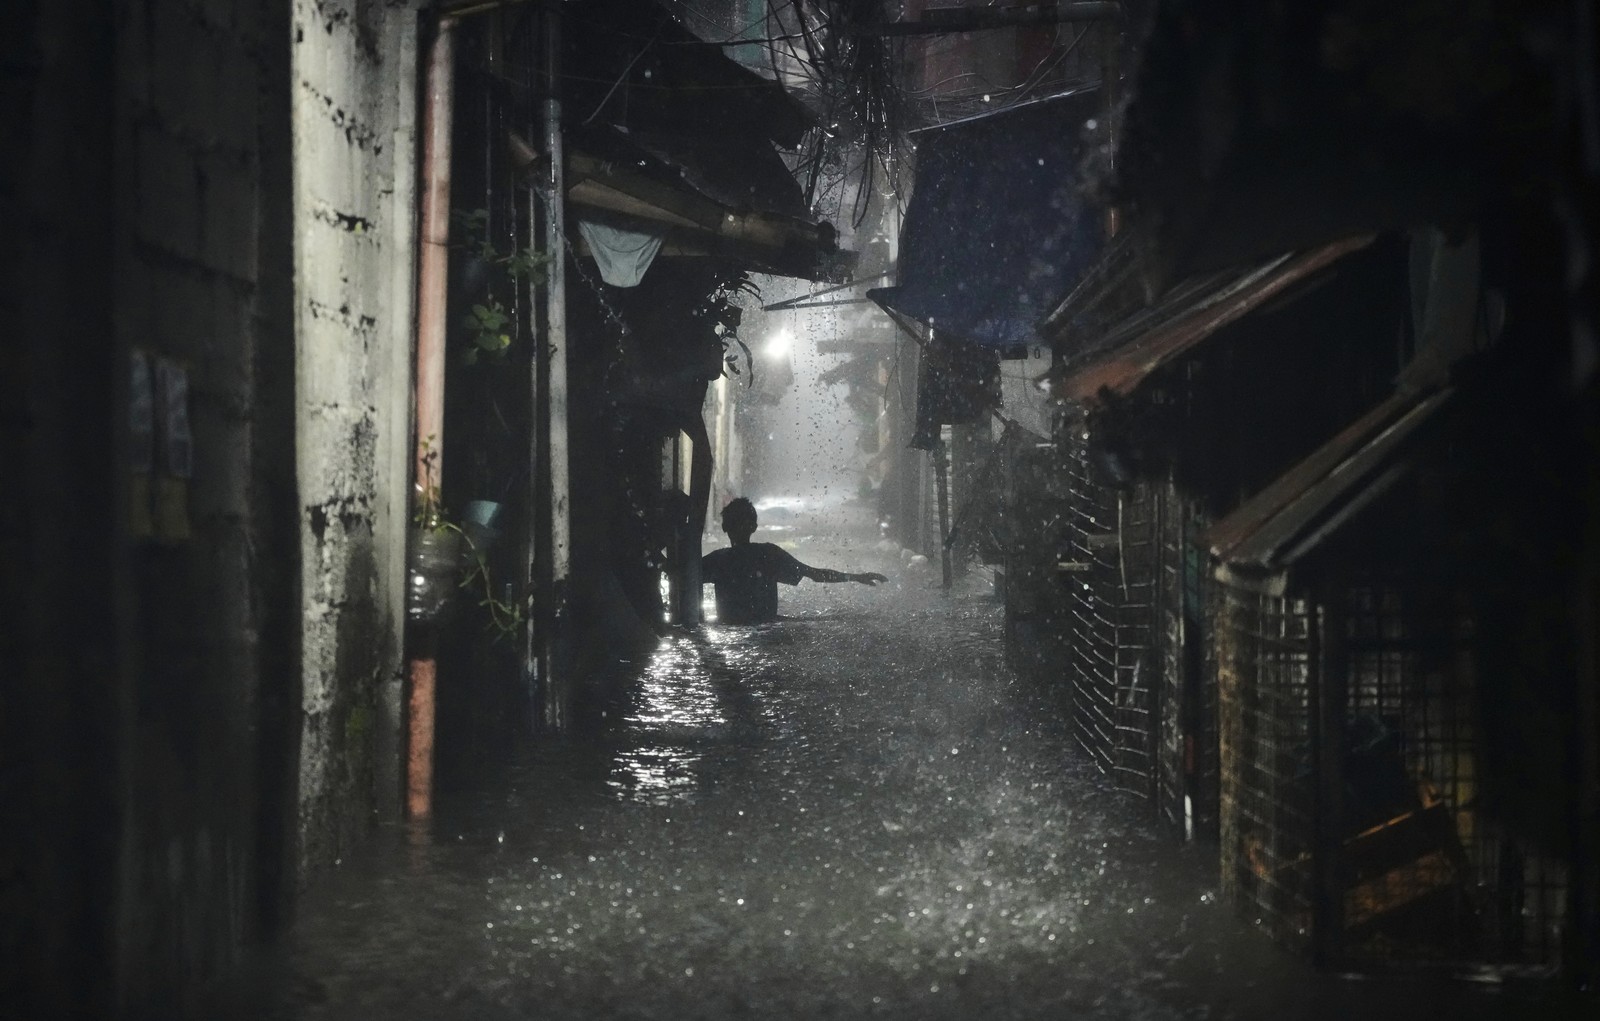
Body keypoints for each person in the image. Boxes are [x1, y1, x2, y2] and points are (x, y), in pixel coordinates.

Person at [700, 497, 887, 624]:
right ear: (754, 527)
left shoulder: (717, 561)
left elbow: (681, 575)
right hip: (770, 628)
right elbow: (815, 575)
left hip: (728, 627)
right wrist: (855, 577)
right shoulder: (768, 555)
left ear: (725, 528)